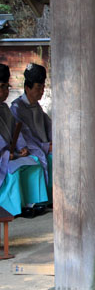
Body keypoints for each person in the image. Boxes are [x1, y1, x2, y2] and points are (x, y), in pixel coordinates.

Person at [0, 64, 48, 217]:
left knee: (35, 164)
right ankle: (11, 210)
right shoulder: (15, 107)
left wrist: (22, 147)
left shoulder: (5, 109)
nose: (5, 92)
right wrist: (6, 153)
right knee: (12, 171)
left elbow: (17, 131)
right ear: (27, 88)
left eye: (7, 87)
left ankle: (34, 202)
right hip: (3, 156)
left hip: (11, 152)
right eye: (1, 87)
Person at [10, 63, 53, 203]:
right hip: (31, 148)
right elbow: (24, 137)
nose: (41, 91)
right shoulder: (17, 108)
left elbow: (49, 126)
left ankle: (54, 196)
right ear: (27, 88)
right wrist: (45, 147)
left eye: (42, 88)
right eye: (38, 88)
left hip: (43, 145)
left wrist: (53, 141)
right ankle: (39, 200)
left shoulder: (37, 106)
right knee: (42, 160)